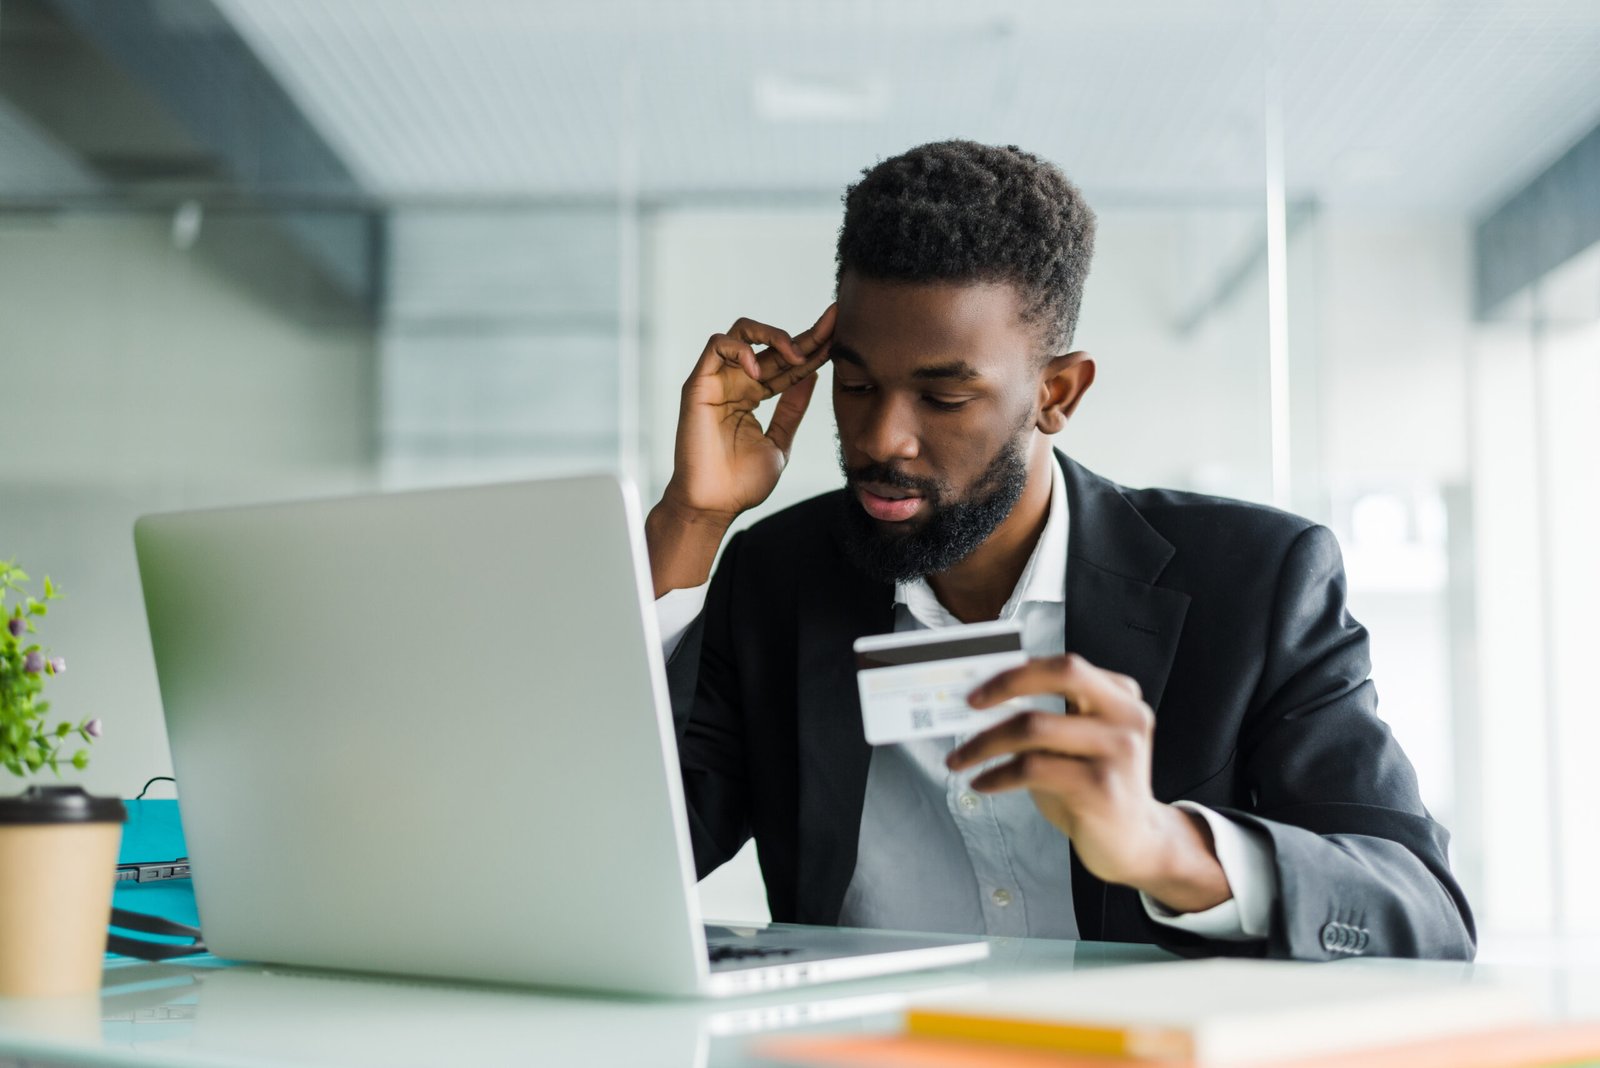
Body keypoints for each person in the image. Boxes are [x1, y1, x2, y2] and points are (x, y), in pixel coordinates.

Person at [645, 140, 1474, 960]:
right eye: (856, 385)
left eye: (943, 396)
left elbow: (1425, 914)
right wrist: (692, 518)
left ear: (1056, 394)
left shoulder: (1255, 582)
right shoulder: (777, 581)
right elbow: (628, 850)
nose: (881, 437)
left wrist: (1166, 849)